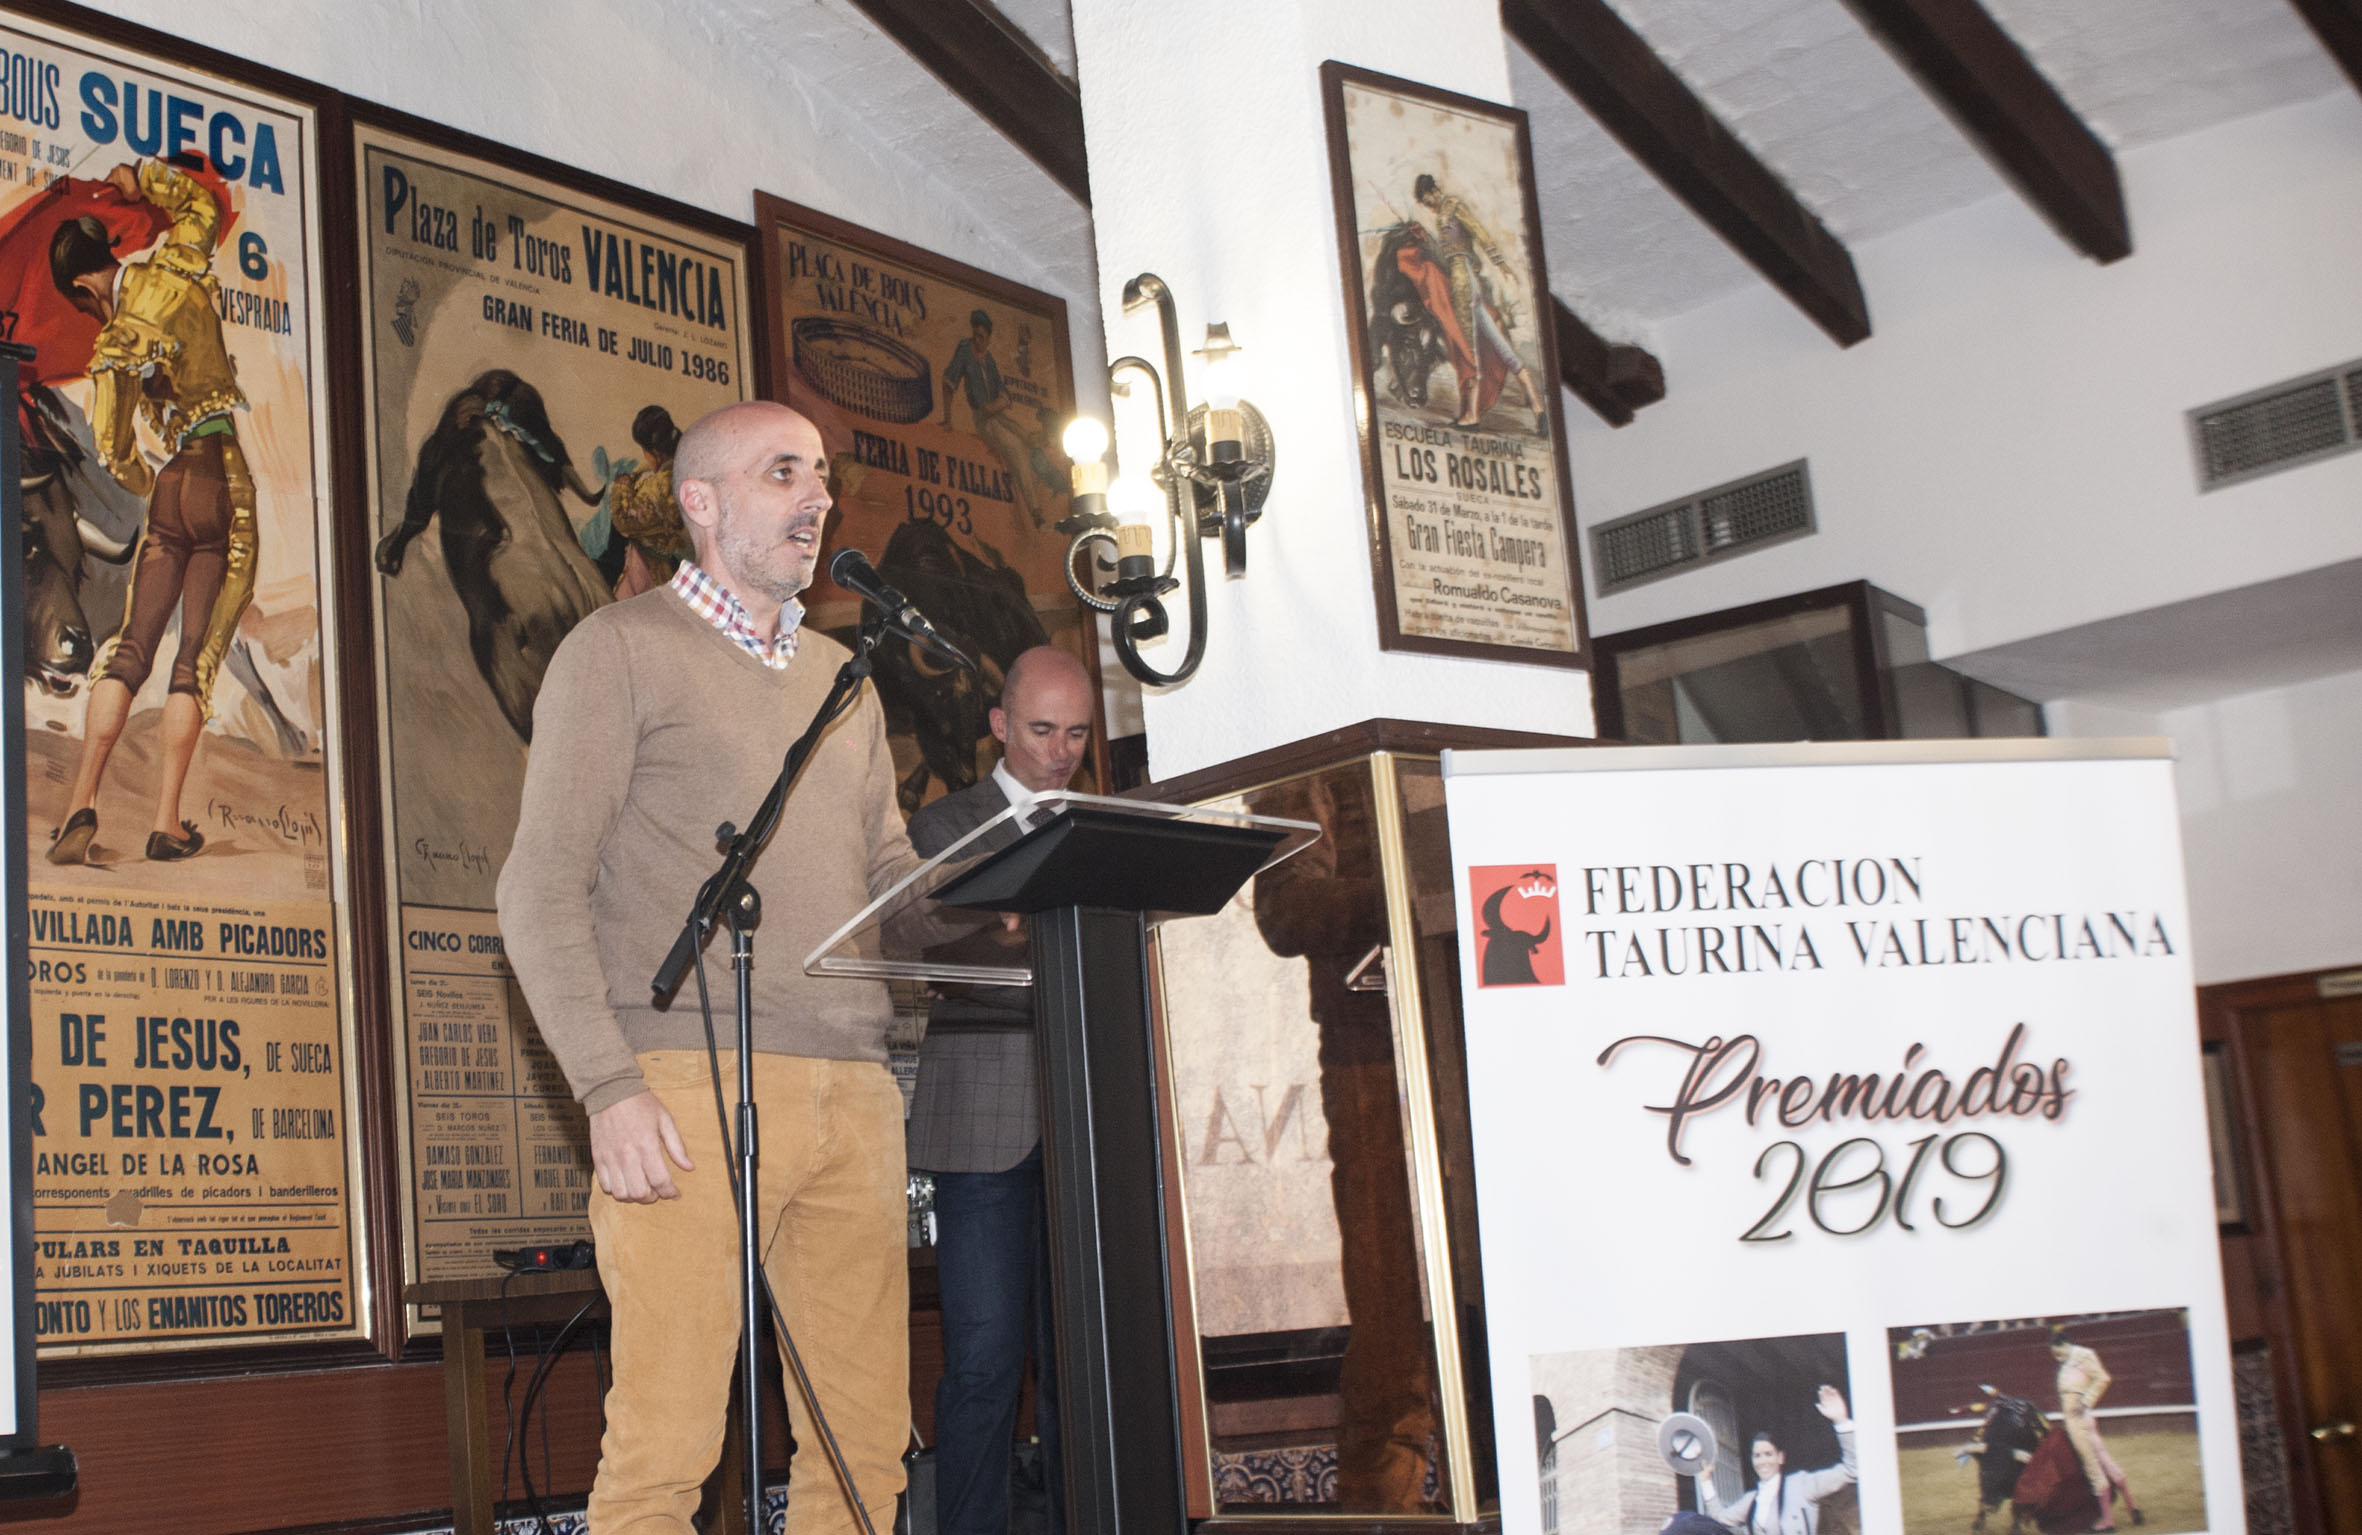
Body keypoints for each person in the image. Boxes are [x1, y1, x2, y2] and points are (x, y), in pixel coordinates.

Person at [497, 400, 921, 1535]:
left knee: (863, 1449)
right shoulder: (619, 648)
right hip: (681, 1088)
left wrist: (1001, 886)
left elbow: (892, 874)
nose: (816, 497)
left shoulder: (848, 678)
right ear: (700, 501)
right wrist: (607, 1084)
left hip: (856, 1095)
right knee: (665, 1450)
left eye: (821, 474)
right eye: (783, 472)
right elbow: (535, 888)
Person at [904, 645, 1094, 1535]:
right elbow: (942, 953)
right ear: (999, 726)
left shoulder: (1099, 823)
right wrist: (1022, 932)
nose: (1061, 752)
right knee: (983, 1359)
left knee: (1079, 1359)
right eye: (1043, 730)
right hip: (980, 1123)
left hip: (1090, 1114)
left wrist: (1020, 926)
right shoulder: (946, 828)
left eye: (1079, 733)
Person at [46, 159, 257, 867]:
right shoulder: (180, 260)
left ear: (83, 285)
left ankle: (82, 802)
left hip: (169, 485)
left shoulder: (113, 344)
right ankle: (166, 820)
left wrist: (148, 475)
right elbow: (198, 204)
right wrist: (141, 180)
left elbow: (113, 448)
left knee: (132, 648)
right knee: (193, 658)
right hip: (222, 472)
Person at [1250, 768, 1439, 1511]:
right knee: (1387, 1294)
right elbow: (1285, 909)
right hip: (1368, 1048)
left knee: (1489, 1279)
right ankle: (1385, 1502)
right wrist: (1406, 890)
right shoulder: (1312, 762)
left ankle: (1508, 1482)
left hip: (1477, 1026)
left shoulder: (1448, 743)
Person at [1410, 172, 1548, 435]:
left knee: (1467, 349)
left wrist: (1500, 262)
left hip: (1463, 282)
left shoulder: (1451, 207)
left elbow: (1478, 232)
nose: (1428, 205)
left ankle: (1471, 415)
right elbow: (1453, 250)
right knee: (1498, 344)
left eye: (1426, 199)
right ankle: (1538, 407)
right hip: (1467, 280)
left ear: (1432, 191)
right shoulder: (1447, 212)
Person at [1698, 1386, 1856, 1535]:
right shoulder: (1751, 1501)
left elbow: (1851, 1470)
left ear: (1780, 1457)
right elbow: (1719, 1518)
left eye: (1768, 1454)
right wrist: (1705, 1482)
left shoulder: (1802, 1485)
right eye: (1757, 1456)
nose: (1762, 1461)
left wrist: (1841, 1421)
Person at [940, 309, 1046, 528]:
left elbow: (1004, 393)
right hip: (984, 418)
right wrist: (948, 419)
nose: (978, 340)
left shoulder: (988, 359)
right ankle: (1035, 511)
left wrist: (999, 403)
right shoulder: (964, 351)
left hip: (997, 413)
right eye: (975, 335)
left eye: (982, 337)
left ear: (988, 339)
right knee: (1016, 448)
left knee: (1028, 437)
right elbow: (949, 383)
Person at [2051, 1328, 2143, 1530]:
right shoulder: (2070, 1361)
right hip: (2083, 1419)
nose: (2058, 1358)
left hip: (2078, 1420)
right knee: (2105, 1462)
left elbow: (2103, 1378)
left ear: (2066, 1344)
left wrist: (2085, 1401)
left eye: (2058, 1353)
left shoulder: (2083, 1355)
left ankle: (2108, 1521)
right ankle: (2133, 1508)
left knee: (2092, 1467)